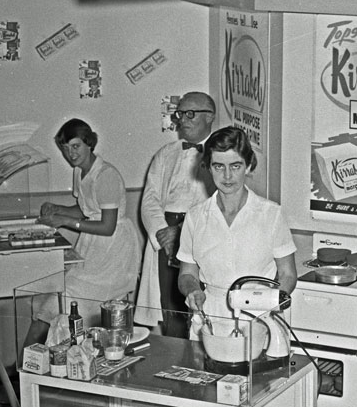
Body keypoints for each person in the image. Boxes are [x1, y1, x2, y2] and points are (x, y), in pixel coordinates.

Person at [26, 118, 141, 342]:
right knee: (54, 302)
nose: (71, 154)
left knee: (65, 301)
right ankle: (28, 364)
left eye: (76, 146)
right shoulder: (80, 172)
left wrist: (65, 221)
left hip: (112, 251)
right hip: (94, 246)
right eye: (65, 149)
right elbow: (85, 209)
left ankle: (24, 365)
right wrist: (58, 209)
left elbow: (107, 226)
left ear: (89, 143)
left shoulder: (106, 175)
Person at [177, 126, 297, 326]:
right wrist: (193, 290)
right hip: (210, 316)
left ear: (248, 166)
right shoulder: (195, 217)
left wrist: (269, 304)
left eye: (235, 166)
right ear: (207, 166)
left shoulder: (271, 214)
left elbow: (288, 274)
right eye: (218, 166)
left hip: (260, 316)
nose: (227, 176)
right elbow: (187, 273)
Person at [137, 92, 216, 337]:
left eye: (190, 113)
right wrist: (164, 233)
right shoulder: (165, 153)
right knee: (170, 307)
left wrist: (182, 231)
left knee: (200, 306)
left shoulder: (222, 152)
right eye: (180, 113)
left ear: (210, 117)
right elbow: (149, 198)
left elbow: (221, 201)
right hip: (164, 236)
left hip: (202, 234)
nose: (183, 119)